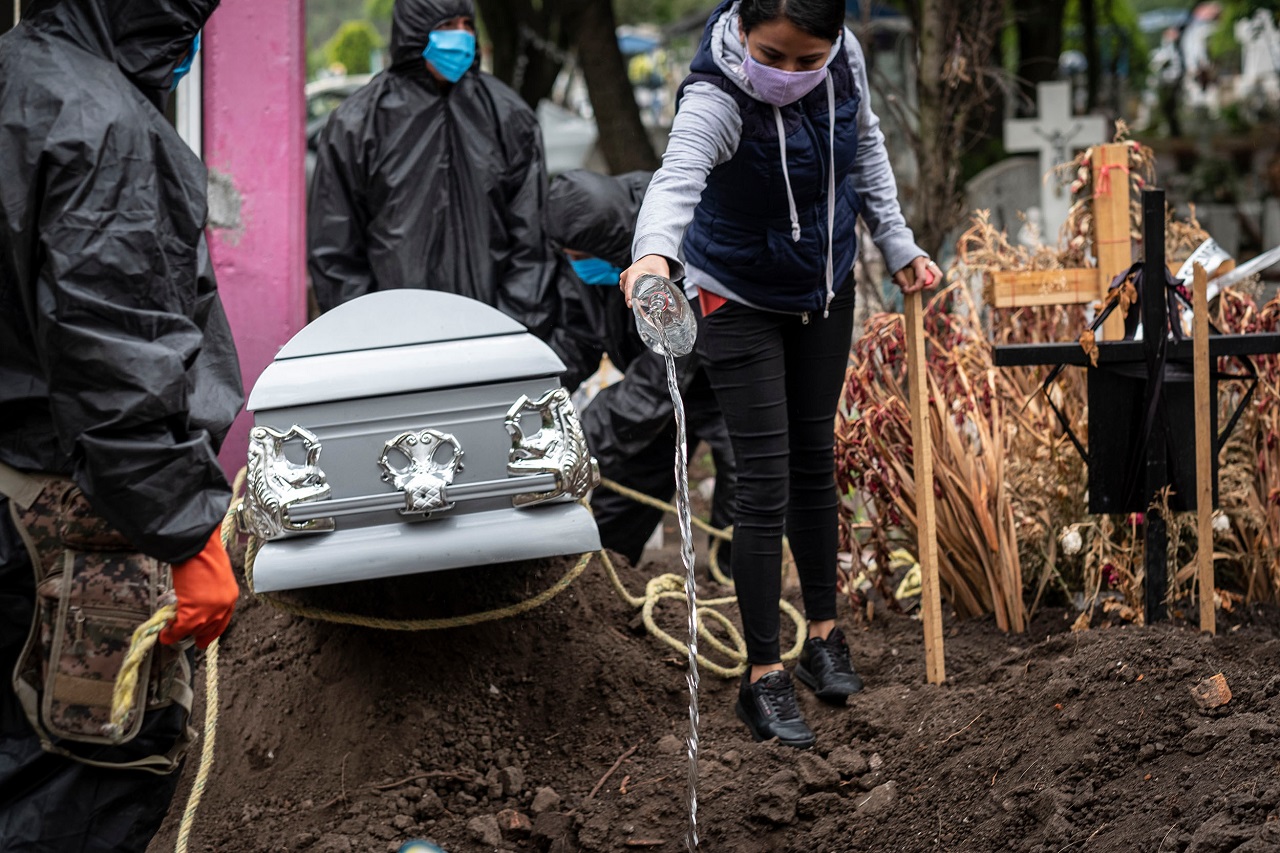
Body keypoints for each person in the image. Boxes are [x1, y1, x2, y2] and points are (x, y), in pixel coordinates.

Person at [620, 0, 939, 749]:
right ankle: (763, 674)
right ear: (743, 32)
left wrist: (898, 244)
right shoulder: (715, 95)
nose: (791, 75)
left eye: (808, 61)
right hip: (733, 295)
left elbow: (866, 149)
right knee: (763, 480)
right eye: (775, 55)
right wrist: (649, 256)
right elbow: (676, 178)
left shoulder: (847, 59)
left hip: (823, 285)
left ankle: (823, 636)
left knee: (814, 460)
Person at [0, 0, 242, 848]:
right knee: (82, 780)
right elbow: (113, 353)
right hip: (71, 514)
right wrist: (185, 532)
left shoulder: (16, 75)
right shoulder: (97, 118)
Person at [308, 0, 580, 372]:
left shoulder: (508, 117)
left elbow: (531, 242)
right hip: (391, 353)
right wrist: (368, 339)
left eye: (468, 24)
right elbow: (335, 250)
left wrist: (511, 334)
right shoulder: (357, 124)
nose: (462, 36)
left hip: (494, 346)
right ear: (415, 29)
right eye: (448, 24)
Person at [545, 169, 736, 569]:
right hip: (653, 383)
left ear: (610, 245)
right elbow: (578, 337)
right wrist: (540, 396)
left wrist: (581, 437)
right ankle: (608, 580)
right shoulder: (582, 240)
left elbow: (661, 375)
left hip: (722, 379)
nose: (574, 265)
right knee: (625, 490)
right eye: (568, 256)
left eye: (579, 258)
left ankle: (736, 588)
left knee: (744, 485)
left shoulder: (671, 233)